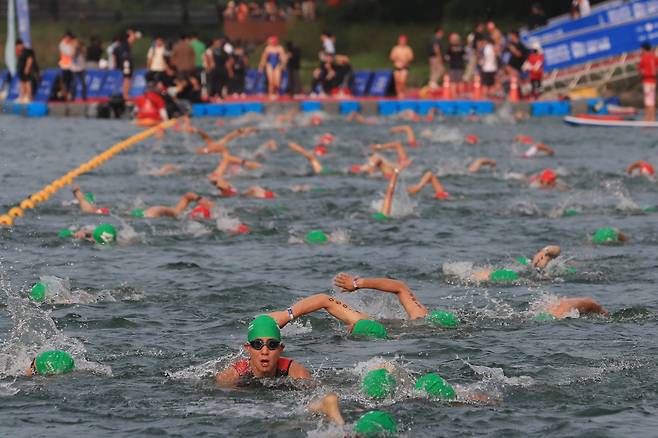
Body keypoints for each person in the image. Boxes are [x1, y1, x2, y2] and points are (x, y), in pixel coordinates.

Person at [263, 272, 459, 343]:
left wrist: (287, 314)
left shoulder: (365, 321)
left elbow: (324, 300)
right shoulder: (421, 320)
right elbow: (400, 287)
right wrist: (356, 283)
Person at [215, 314, 311, 386]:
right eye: (257, 344)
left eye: (272, 344)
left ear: (280, 349)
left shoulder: (297, 374)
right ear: (248, 348)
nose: (265, 352)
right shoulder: (230, 377)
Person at [129, 192, 205, 219]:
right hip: (151, 214)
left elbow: (187, 196)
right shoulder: (179, 213)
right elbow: (188, 196)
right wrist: (200, 200)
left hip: (147, 214)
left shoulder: (179, 213)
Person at [638, 42, 657, 122]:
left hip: (647, 81)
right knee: (652, 100)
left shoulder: (644, 57)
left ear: (643, 49)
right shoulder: (654, 57)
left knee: (648, 101)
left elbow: (640, 70)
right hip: (653, 81)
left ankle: (648, 119)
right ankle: (653, 118)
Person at [58, 31, 76, 101]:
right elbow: (70, 53)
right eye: (66, 38)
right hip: (64, 66)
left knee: (71, 81)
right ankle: (64, 95)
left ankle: (69, 94)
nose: (67, 39)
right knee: (65, 81)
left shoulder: (72, 43)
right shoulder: (62, 44)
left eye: (69, 38)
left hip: (72, 66)